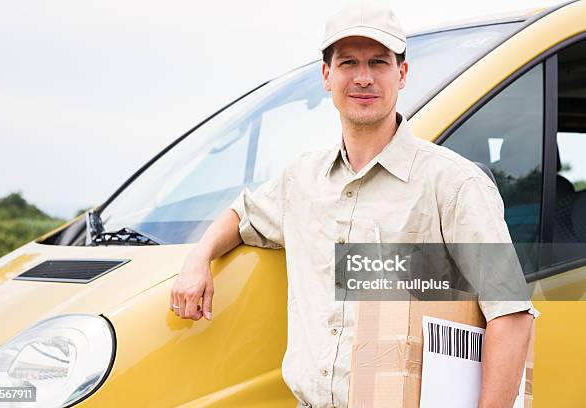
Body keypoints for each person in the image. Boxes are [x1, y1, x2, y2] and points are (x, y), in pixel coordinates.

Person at [169, 2, 539, 407]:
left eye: (378, 62)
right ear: (327, 75)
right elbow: (243, 214)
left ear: (402, 73)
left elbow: (512, 316)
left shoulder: (454, 185)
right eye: (348, 63)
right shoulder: (300, 180)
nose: (364, 77)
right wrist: (198, 258)